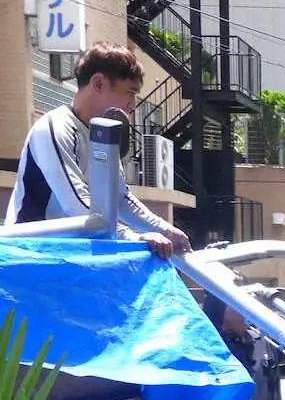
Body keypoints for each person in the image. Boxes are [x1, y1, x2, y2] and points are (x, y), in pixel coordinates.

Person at [5, 43, 190, 258]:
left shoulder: (104, 134)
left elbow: (119, 199)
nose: (133, 105)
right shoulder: (54, 127)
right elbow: (75, 204)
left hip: (65, 256)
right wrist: (132, 237)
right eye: (130, 92)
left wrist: (164, 228)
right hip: (27, 256)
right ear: (99, 83)